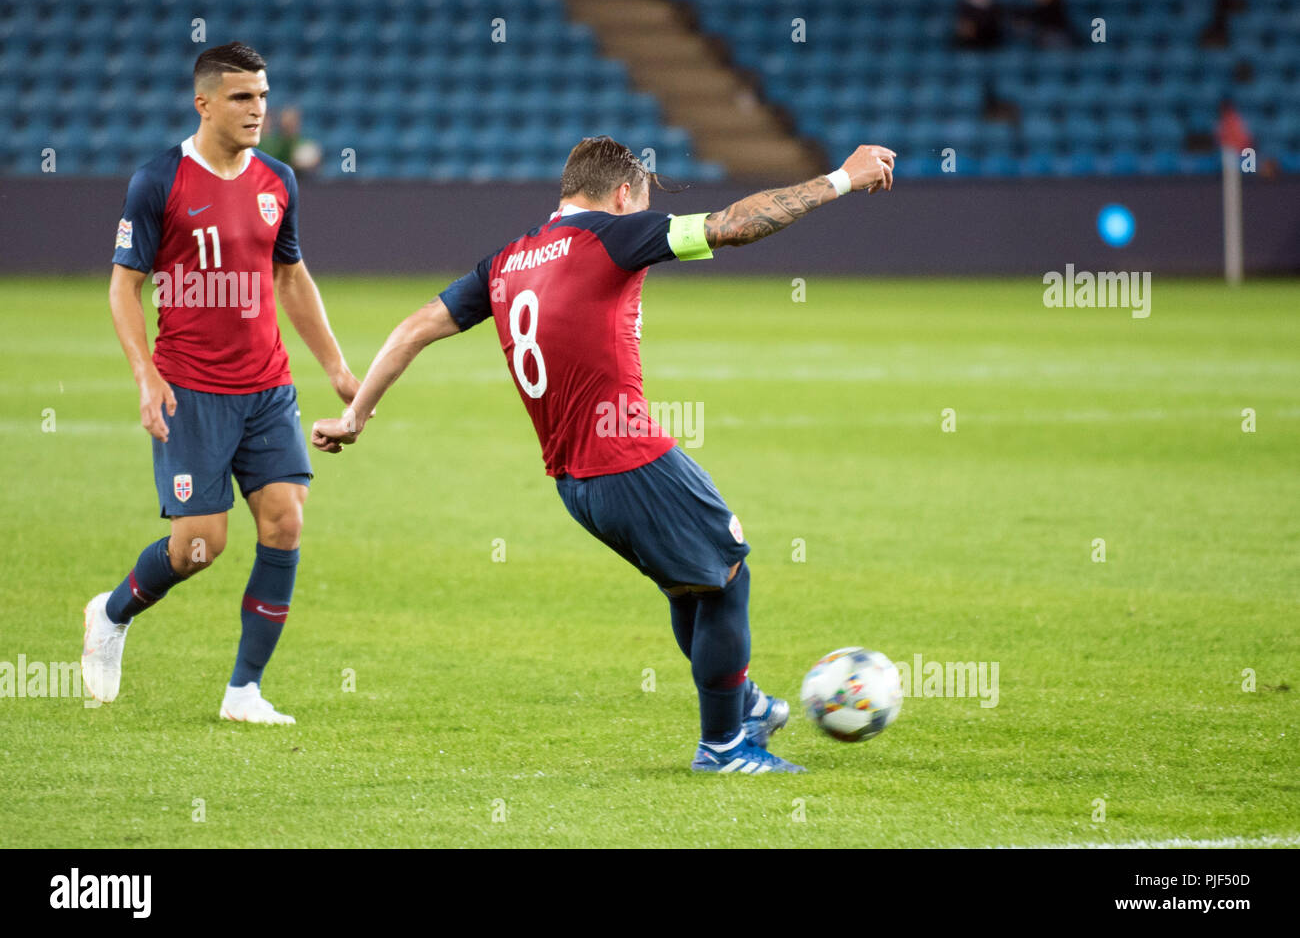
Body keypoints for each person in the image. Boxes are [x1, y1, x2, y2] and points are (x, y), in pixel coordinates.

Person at [311, 136, 895, 772]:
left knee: (689, 590)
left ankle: (745, 705)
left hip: (575, 482)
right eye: (644, 202)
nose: (647, 215)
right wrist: (841, 178)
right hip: (627, 457)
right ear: (623, 194)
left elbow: (415, 327)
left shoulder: (507, 261)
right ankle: (725, 746)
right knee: (727, 574)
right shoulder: (612, 237)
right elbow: (733, 226)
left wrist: (355, 414)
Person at [84, 42, 360, 723]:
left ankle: (244, 691)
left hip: (267, 387)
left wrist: (335, 367)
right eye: (242, 97)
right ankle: (112, 612)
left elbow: (291, 276)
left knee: (286, 521)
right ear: (203, 103)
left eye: (263, 96)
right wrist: (144, 373)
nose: (257, 110)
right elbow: (125, 286)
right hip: (192, 392)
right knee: (199, 545)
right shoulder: (159, 182)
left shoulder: (277, 181)